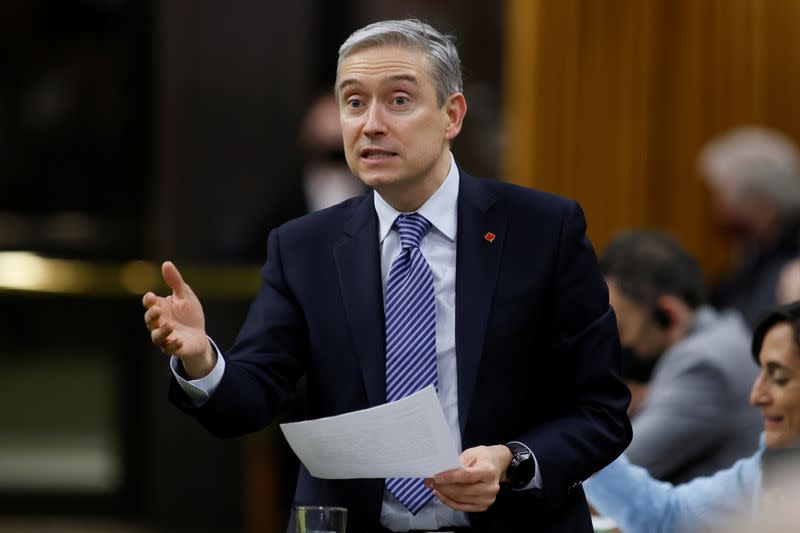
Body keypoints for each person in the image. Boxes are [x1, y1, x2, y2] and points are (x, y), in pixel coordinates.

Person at [143, 19, 631, 533]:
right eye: (354, 103)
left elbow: (601, 412)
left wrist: (512, 461)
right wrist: (203, 362)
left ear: (452, 115)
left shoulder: (542, 230)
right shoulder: (303, 247)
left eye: (398, 100)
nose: (370, 124)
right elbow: (250, 401)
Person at [584, 300, 800, 533]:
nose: (756, 396)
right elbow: (669, 515)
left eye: (779, 379)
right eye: (761, 373)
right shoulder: (767, 463)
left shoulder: (705, 365)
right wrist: (585, 432)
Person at [600, 230, 761, 483]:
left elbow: (612, 477)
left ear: (669, 314)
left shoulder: (701, 364)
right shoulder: (726, 330)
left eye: (622, 328)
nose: (623, 343)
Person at [698, 127, 800, 328]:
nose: (717, 209)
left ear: (761, 201)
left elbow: (750, 328)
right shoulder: (756, 250)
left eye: (723, 197)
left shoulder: (788, 265)